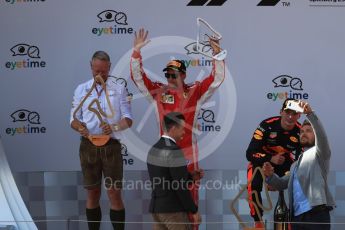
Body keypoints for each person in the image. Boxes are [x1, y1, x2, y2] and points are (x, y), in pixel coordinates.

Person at [130, 28, 225, 228]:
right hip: (164, 153)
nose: (170, 78)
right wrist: (136, 53)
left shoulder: (196, 91)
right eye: (167, 75)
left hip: (189, 153)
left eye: (174, 75)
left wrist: (217, 54)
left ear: (183, 75)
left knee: (190, 195)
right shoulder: (158, 92)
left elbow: (216, 80)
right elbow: (138, 79)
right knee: (166, 194)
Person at [70, 51, 133, 230]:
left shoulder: (119, 89)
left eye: (103, 71)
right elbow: (73, 119)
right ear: (91, 66)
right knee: (93, 193)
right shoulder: (81, 89)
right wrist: (80, 127)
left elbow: (128, 119)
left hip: (111, 146)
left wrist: (114, 127)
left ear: (109, 67)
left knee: (114, 193)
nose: (100, 75)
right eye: (96, 70)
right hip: (88, 146)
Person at [263, 101, 335, 230]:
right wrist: (270, 176)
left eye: (308, 131)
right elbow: (281, 184)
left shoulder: (320, 153)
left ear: (316, 136)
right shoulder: (295, 164)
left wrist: (310, 114)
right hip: (296, 217)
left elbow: (322, 136)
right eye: (301, 131)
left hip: (316, 214)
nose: (303, 133)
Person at [246, 98, 302, 228]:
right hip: (262, 159)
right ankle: (258, 222)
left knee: (297, 179)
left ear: (299, 115)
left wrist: (279, 180)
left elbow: (300, 161)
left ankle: (291, 222)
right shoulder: (266, 125)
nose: (290, 117)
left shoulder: (301, 131)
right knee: (252, 183)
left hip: (284, 161)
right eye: (287, 112)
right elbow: (250, 153)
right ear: (281, 112)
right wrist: (270, 158)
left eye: (294, 114)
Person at [147, 112, 203, 230]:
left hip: (157, 210)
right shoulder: (174, 150)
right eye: (182, 129)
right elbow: (180, 185)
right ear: (173, 128)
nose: (184, 132)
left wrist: (190, 177)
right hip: (173, 212)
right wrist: (194, 210)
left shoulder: (153, 148)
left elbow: (166, 177)